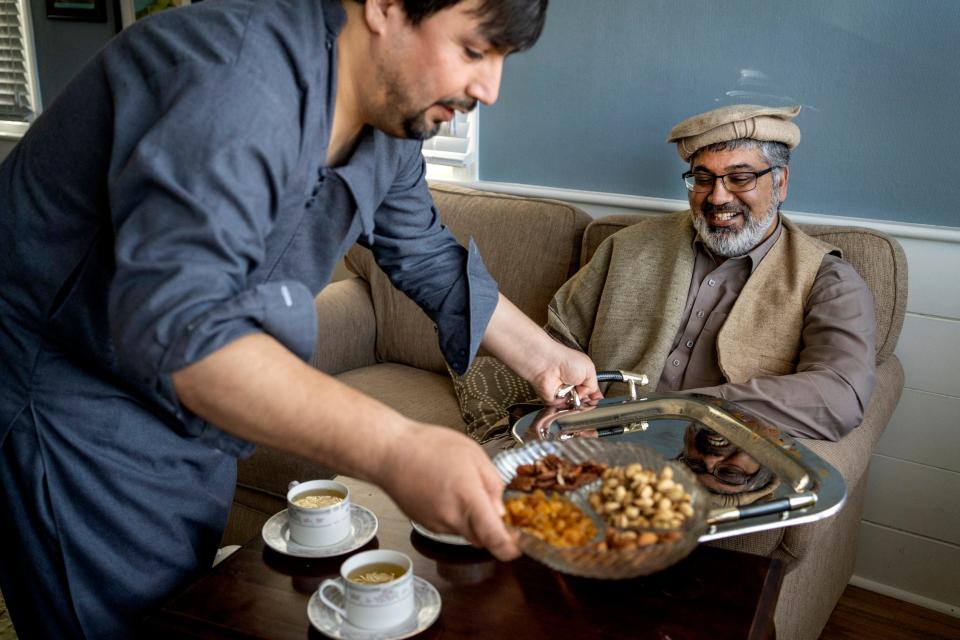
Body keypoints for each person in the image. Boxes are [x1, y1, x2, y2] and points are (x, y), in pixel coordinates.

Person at [0, 0, 602, 636]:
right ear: (385, 7)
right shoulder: (229, 77)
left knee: (183, 609)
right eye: (475, 51)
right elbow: (188, 333)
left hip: (192, 414)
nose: (490, 88)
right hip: (70, 402)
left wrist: (544, 357)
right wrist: (399, 449)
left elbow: (423, 251)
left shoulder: (389, 122)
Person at [547, 104, 877, 442]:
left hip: (714, 455)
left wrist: (684, 410)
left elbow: (839, 398)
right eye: (703, 179)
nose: (717, 197)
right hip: (590, 441)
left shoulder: (828, 279)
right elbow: (558, 336)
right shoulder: (628, 246)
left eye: (740, 178)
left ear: (781, 183)